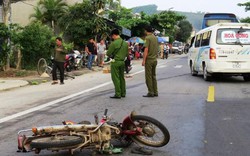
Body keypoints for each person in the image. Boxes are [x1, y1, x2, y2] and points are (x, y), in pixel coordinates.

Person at [107, 29, 128, 99]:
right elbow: (127, 54)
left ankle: (118, 93)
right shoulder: (125, 43)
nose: (112, 38)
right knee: (122, 77)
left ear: (114, 35)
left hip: (115, 62)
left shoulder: (114, 43)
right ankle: (123, 93)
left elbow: (108, 53)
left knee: (115, 78)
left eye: (112, 36)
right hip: (122, 62)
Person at [142, 25, 158, 97]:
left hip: (149, 60)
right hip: (155, 59)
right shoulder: (155, 38)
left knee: (148, 77)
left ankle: (150, 92)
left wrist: (144, 60)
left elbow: (146, 49)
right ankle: (155, 91)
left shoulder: (147, 38)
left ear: (146, 30)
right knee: (153, 76)